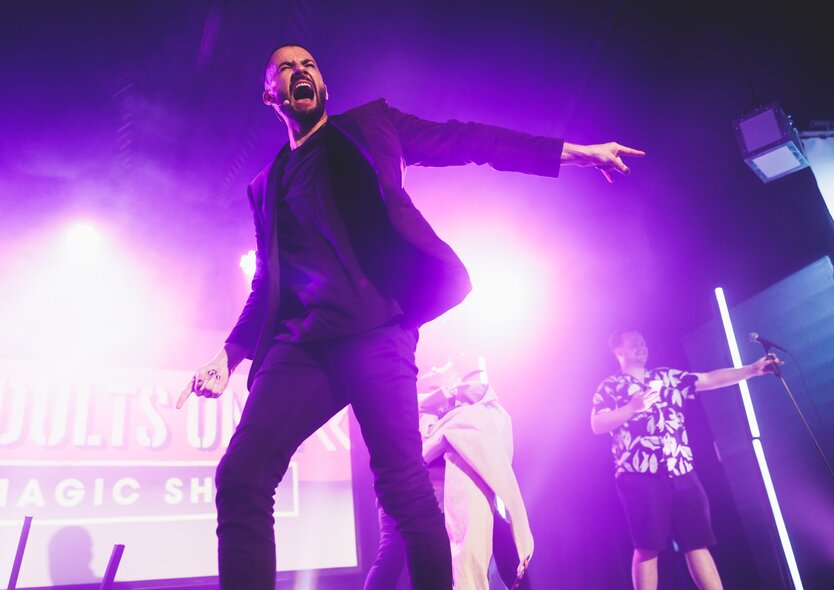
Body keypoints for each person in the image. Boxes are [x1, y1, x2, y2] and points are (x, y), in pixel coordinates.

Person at [176, 43, 645, 590]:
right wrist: (228, 355)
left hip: (376, 330)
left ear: (322, 85)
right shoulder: (265, 186)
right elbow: (266, 285)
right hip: (302, 346)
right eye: (285, 67)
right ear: (269, 94)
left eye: (309, 65)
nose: (299, 71)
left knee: (403, 491)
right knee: (240, 477)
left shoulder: (371, 126)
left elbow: (470, 140)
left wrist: (574, 153)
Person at [591, 330, 779, 590]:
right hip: (640, 474)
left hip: (681, 470)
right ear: (618, 351)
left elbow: (708, 379)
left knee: (696, 541)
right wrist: (632, 408)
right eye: (635, 344)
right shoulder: (610, 386)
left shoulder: (666, 376)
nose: (642, 347)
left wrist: (751, 370)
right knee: (647, 545)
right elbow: (597, 424)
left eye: (644, 343)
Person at [365, 367, 533, 590]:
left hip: (432, 498)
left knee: (501, 537)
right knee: (392, 554)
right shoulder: (414, 415)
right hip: (401, 497)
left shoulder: (461, 418)